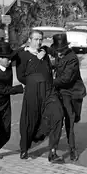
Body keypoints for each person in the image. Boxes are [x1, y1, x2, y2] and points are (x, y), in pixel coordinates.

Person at [15, 29, 64, 163]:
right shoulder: (22, 55)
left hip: (49, 90)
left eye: (40, 39)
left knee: (58, 115)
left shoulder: (45, 52)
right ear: (29, 40)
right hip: (33, 91)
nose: (38, 42)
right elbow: (21, 76)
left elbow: (52, 65)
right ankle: (24, 148)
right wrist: (34, 80)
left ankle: (53, 151)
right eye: (36, 39)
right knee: (30, 119)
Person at [42, 34, 87, 162]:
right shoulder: (57, 52)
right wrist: (43, 48)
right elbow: (50, 51)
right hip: (63, 92)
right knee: (63, 119)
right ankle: (69, 150)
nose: (59, 54)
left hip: (74, 92)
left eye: (61, 51)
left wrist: (49, 82)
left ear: (66, 48)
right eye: (57, 51)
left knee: (74, 119)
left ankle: (71, 147)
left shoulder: (72, 58)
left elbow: (66, 79)